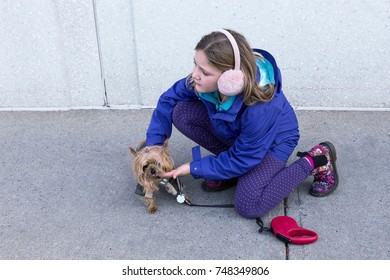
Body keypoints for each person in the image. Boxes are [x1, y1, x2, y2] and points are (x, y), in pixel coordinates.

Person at [141, 28, 338, 218]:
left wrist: (194, 168)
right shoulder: (202, 82)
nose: (194, 75)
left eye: (205, 71)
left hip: (274, 142)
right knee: (182, 112)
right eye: (195, 64)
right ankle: (229, 172)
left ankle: (316, 160)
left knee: (249, 205)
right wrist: (154, 146)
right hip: (239, 135)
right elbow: (168, 99)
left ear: (230, 78)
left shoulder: (259, 108)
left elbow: (244, 158)